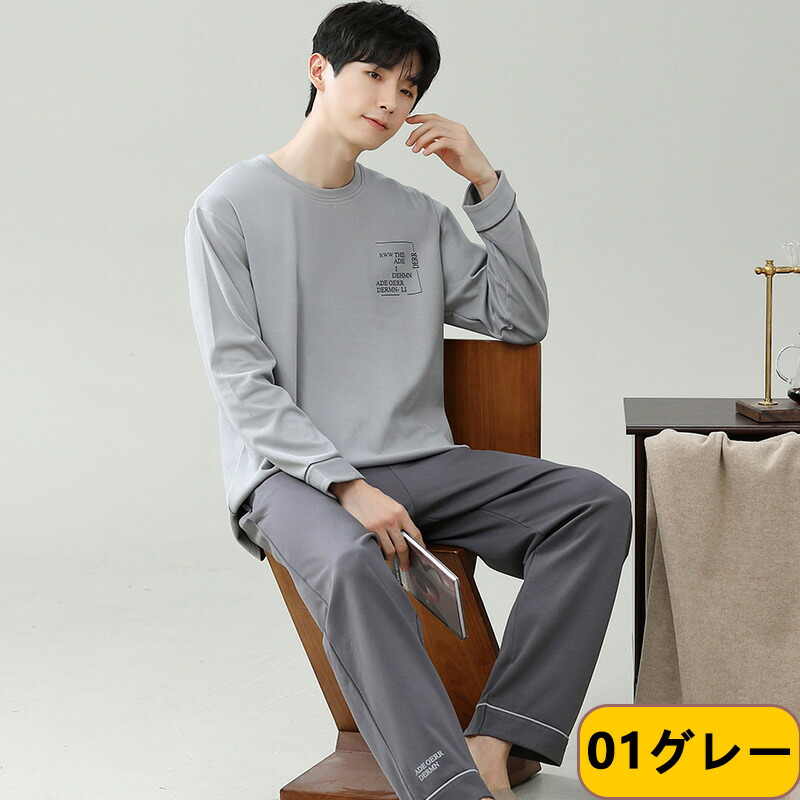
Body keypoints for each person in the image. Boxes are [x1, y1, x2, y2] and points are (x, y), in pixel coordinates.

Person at [184, 3, 633, 800]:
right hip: (291, 475)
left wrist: (486, 184)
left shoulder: (413, 214)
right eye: (373, 75)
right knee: (352, 562)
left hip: (421, 460)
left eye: (409, 86)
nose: (391, 100)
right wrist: (347, 486)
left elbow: (520, 317)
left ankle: (499, 739)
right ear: (319, 70)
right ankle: (444, 786)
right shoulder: (229, 206)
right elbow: (240, 380)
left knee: (594, 507)